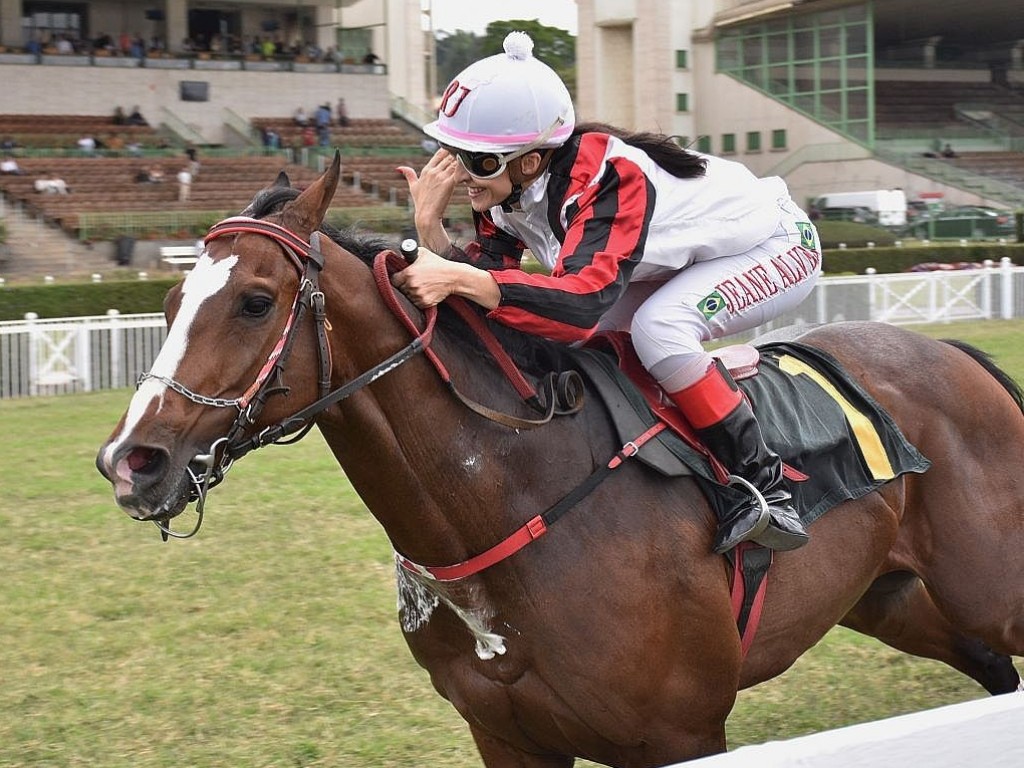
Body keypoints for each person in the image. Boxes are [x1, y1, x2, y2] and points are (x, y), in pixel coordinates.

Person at [394, 32, 822, 554]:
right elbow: (487, 288)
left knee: (658, 330)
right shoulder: (505, 189)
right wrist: (428, 225)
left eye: (478, 161)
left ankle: (764, 487)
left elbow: (577, 304)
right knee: (585, 342)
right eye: (453, 154)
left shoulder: (604, 178)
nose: (461, 174)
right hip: (673, 262)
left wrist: (458, 277)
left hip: (774, 244)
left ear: (530, 160)